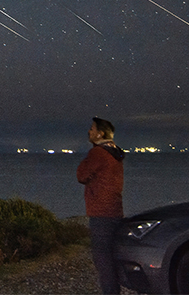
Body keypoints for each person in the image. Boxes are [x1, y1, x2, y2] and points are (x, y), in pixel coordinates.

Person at [77, 116, 125, 294]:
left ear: (100, 133)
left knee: (103, 259)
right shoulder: (115, 153)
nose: (89, 131)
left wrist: (87, 158)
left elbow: (81, 175)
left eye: (92, 128)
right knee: (111, 257)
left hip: (101, 212)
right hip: (115, 209)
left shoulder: (97, 153)